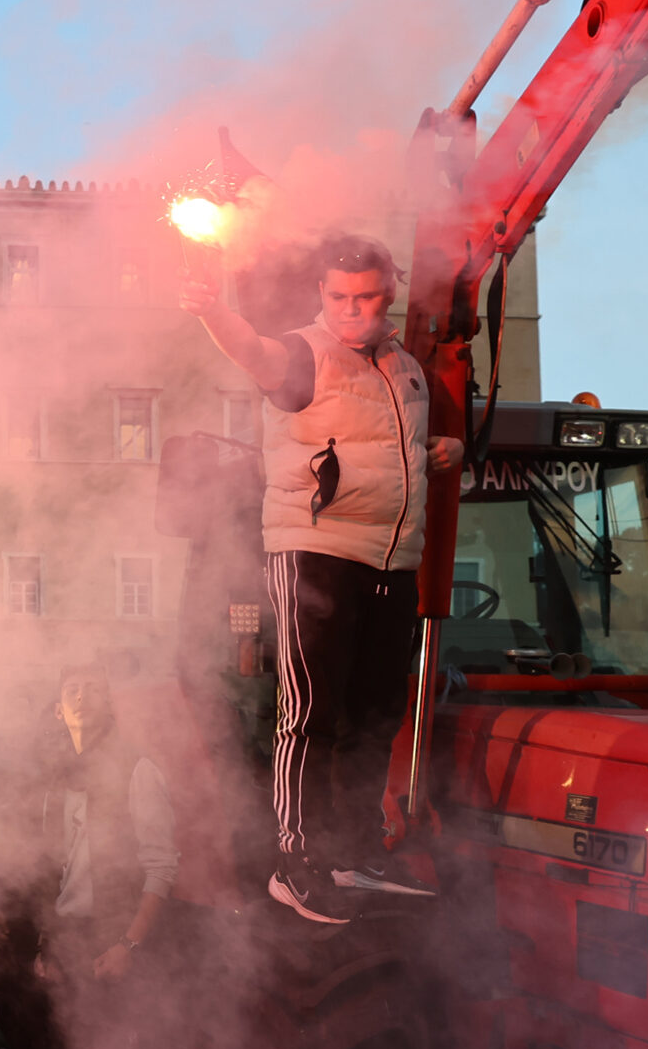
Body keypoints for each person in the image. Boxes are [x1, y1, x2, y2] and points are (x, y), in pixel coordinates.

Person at [182, 232, 463, 923]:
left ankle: (354, 851)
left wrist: (442, 449)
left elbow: (388, 445)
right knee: (310, 711)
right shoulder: (304, 351)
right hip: (315, 547)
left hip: (391, 557)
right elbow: (257, 356)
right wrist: (214, 311)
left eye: (366, 296)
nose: (352, 309)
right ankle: (295, 859)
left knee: (375, 716)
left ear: (389, 291)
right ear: (321, 295)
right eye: (339, 296)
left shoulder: (406, 370)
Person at [35, 666, 180, 1049]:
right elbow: (55, 870)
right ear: (56, 710)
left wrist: (129, 944)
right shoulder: (58, 777)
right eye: (68, 685)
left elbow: (161, 866)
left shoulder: (137, 768)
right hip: (72, 937)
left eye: (94, 683)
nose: (80, 691)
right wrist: (48, 945)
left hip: (115, 941)